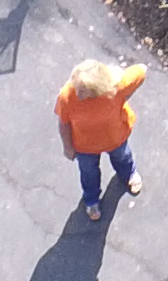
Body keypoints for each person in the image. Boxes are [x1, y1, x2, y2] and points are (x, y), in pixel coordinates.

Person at [54, 58, 147, 219]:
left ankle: (129, 174)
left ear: (97, 88)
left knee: (123, 157)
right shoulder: (66, 97)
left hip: (115, 138)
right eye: (76, 86)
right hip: (84, 145)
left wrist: (125, 95)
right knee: (88, 173)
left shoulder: (116, 87)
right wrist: (67, 147)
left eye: (83, 90)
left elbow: (142, 70)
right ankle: (91, 200)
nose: (77, 93)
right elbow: (63, 124)